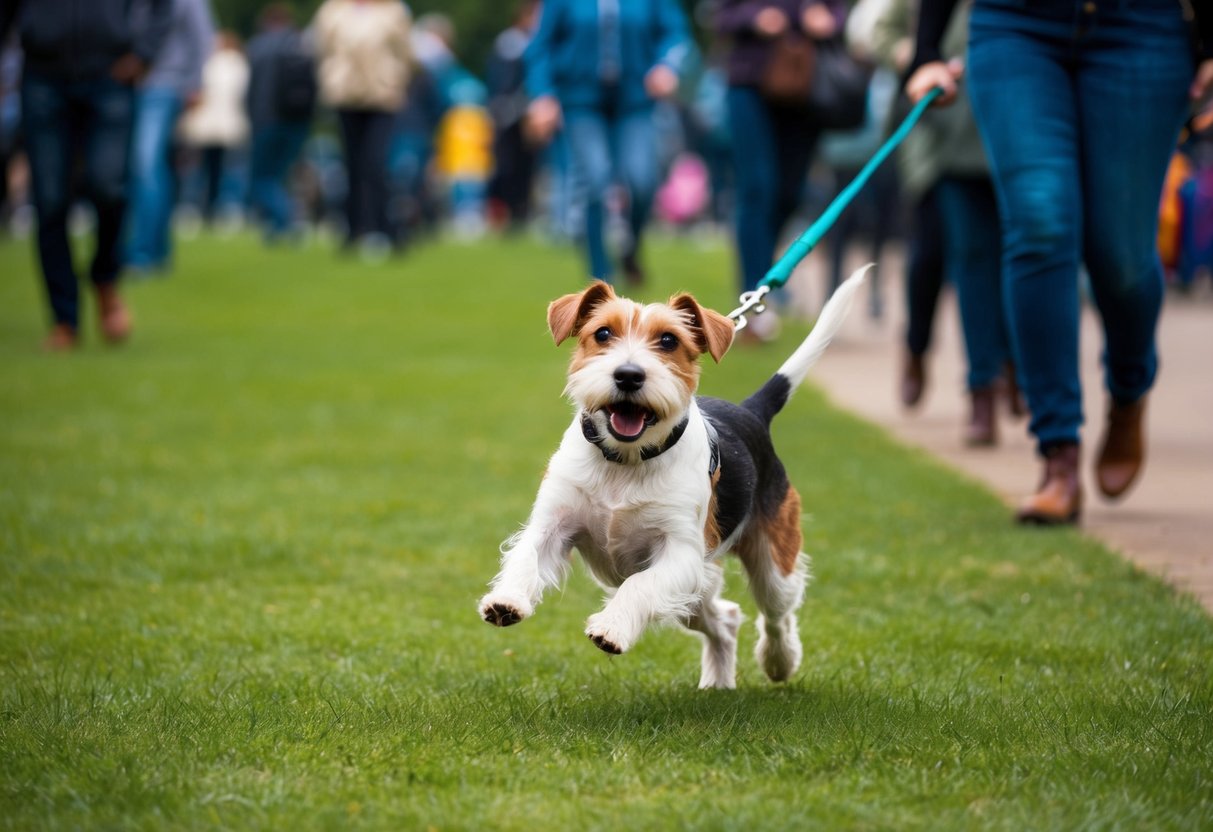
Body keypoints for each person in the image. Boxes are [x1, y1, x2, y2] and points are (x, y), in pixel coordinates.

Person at [907, 0, 1213, 524]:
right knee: (1040, 221)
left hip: (1144, 30)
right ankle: (1058, 456)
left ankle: (1129, 386)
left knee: (1120, 254)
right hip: (1015, 25)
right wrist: (927, 50)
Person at [862, 0, 1019, 447]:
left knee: (1016, 256)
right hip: (940, 139)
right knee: (941, 256)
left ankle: (1011, 369)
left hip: (1005, 133)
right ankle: (928, 353)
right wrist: (914, 54)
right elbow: (883, 31)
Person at [0, 0, 171, 349]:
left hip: (110, 73)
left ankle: (105, 278)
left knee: (109, 187)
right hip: (42, 75)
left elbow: (162, 6)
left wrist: (144, 53)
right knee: (49, 201)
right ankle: (65, 319)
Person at [524, 0, 694, 286]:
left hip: (636, 101)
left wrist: (667, 66)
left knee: (642, 181)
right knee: (594, 179)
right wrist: (542, 95)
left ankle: (630, 246)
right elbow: (540, 47)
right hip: (581, 101)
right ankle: (599, 273)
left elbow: (675, 33)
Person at [714, 0, 848, 340]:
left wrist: (828, 19)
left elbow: (840, 13)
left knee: (790, 194)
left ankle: (763, 276)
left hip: (804, 86)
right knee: (757, 188)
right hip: (751, 84)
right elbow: (721, 17)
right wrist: (754, 18)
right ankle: (753, 297)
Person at [313, 0, 414, 256]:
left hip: (382, 95)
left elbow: (405, 52)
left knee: (374, 163)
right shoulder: (333, 10)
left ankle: (383, 228)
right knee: (352, 163)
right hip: (345, 94)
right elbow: (322, 49)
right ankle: (353, 228)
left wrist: (396, 81)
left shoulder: (393, 11)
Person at [125, 0, 214, 273]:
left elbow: (202, 35)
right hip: (132, 85)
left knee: (145, 166)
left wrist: (195, 83)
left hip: (164, 84)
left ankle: (142, 252)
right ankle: (158, 250)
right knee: (154, 168)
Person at [244, 3, 314, 243]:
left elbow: (252, 90)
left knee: (262, 178)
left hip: (267, 119)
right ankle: (278, 226)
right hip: (298, 121)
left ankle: (285, 219)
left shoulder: (259, 46)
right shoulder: (303, 44)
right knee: (282, 175)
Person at [178, 31, 249, 225]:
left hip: (204, 126)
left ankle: (194, 206)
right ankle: (224, 208)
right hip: (228, 126)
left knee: (199, 170)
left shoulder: (205, 61)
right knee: (225, 170)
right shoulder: (239, 63)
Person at [486, 0, 541, 231]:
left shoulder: (533, 42)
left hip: (526, 114)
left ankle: (522, 210)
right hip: (507, 115)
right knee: (507, 165)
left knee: (527, 166)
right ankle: (505, 211)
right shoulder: (510, 43)